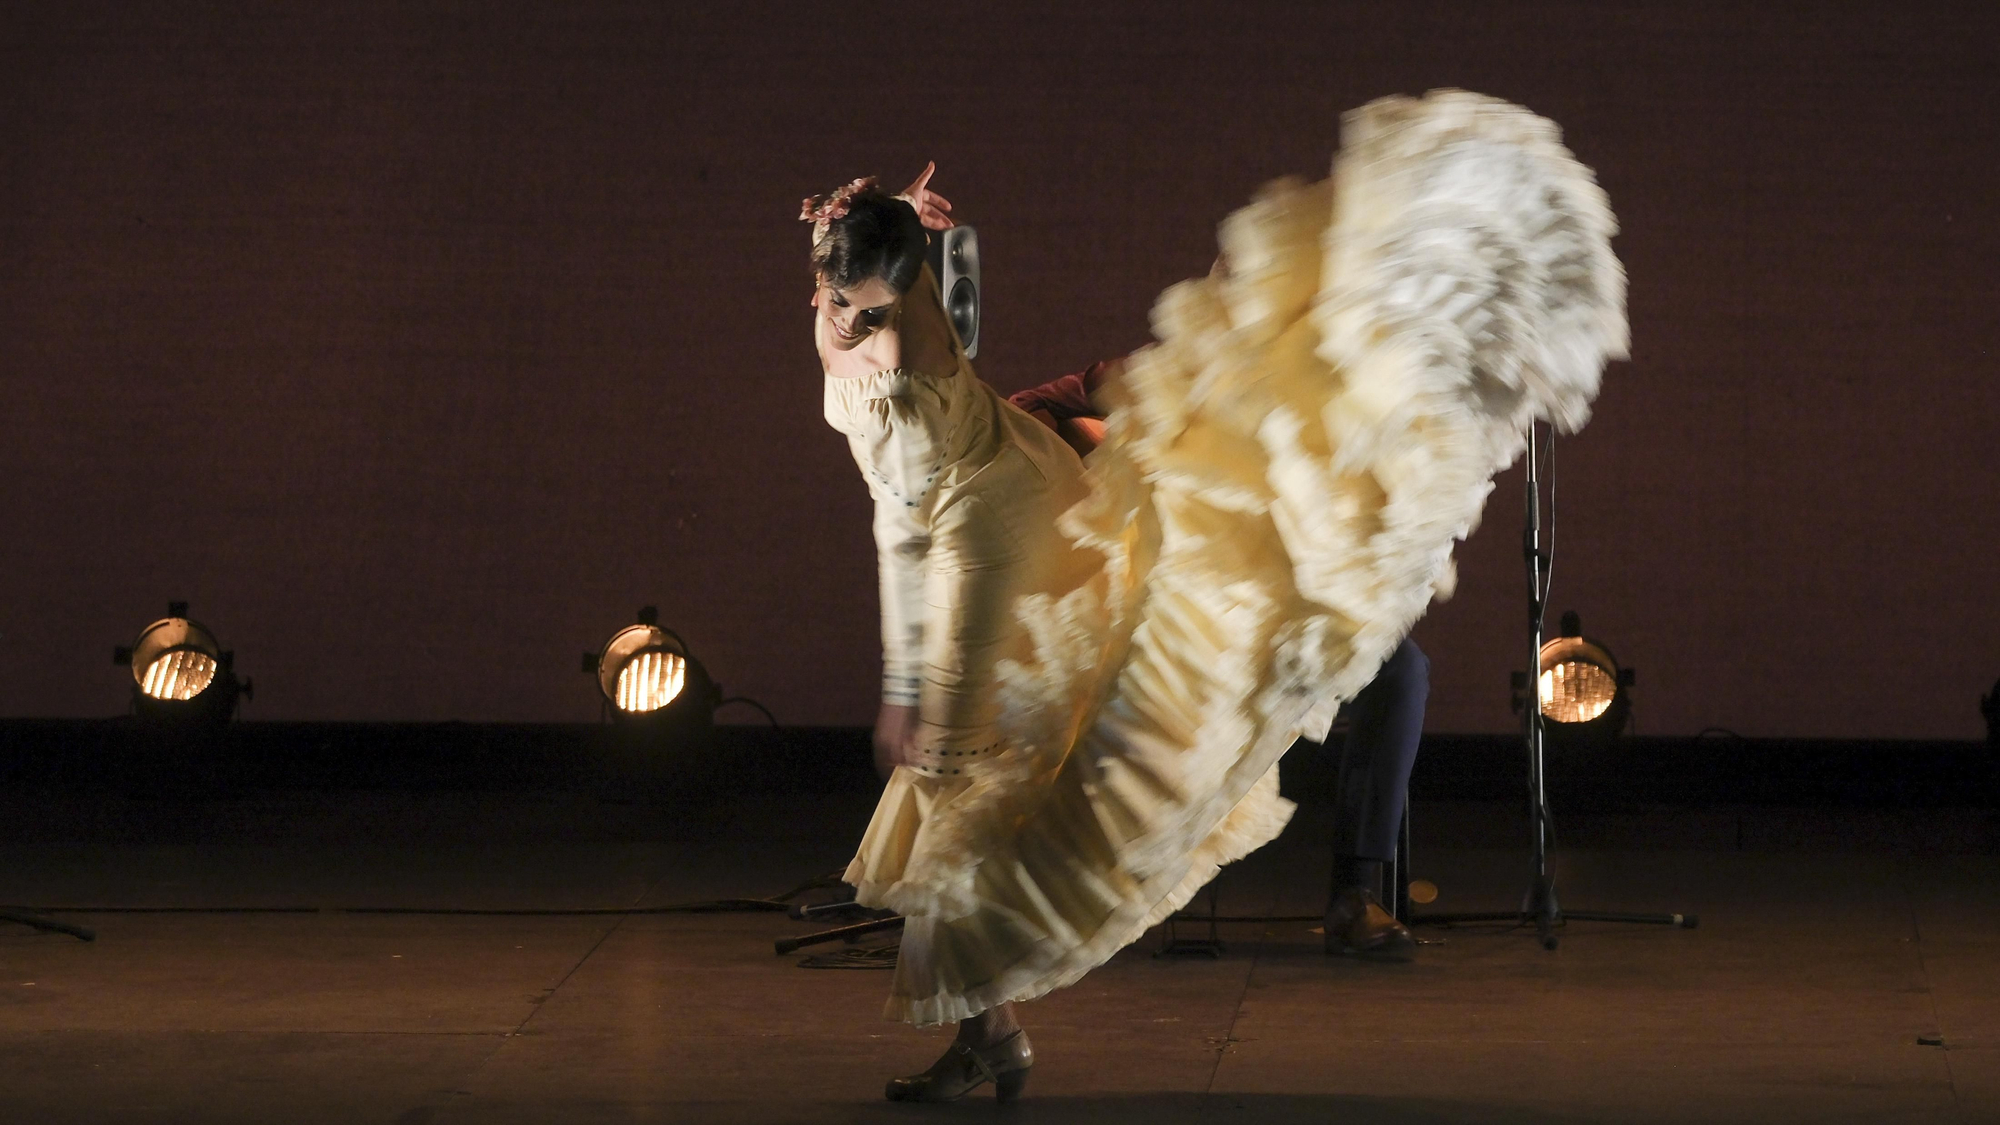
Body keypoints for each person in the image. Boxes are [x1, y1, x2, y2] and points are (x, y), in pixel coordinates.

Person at [809, 89, 1627, 1107]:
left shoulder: (896, 339)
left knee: (961, 769)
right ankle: (990, 1029)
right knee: (955, 775)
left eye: (855, 295)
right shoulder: (858, 322)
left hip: (992, 519)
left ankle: (1026, 991)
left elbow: (921, 492)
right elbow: (905, 477)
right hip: (990, 487)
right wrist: (893, 226)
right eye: (834, 298)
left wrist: (905, 687)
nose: (840, 314)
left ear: (882, 286)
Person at [1011, 364, 1426, 958]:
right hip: (1184, 609)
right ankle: (1078, 889)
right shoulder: (1172, 367)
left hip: (1280, 605)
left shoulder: (1315, 388)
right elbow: (1024, 407)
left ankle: (1355, 893)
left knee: (1403, 668)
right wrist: (1094, 439)